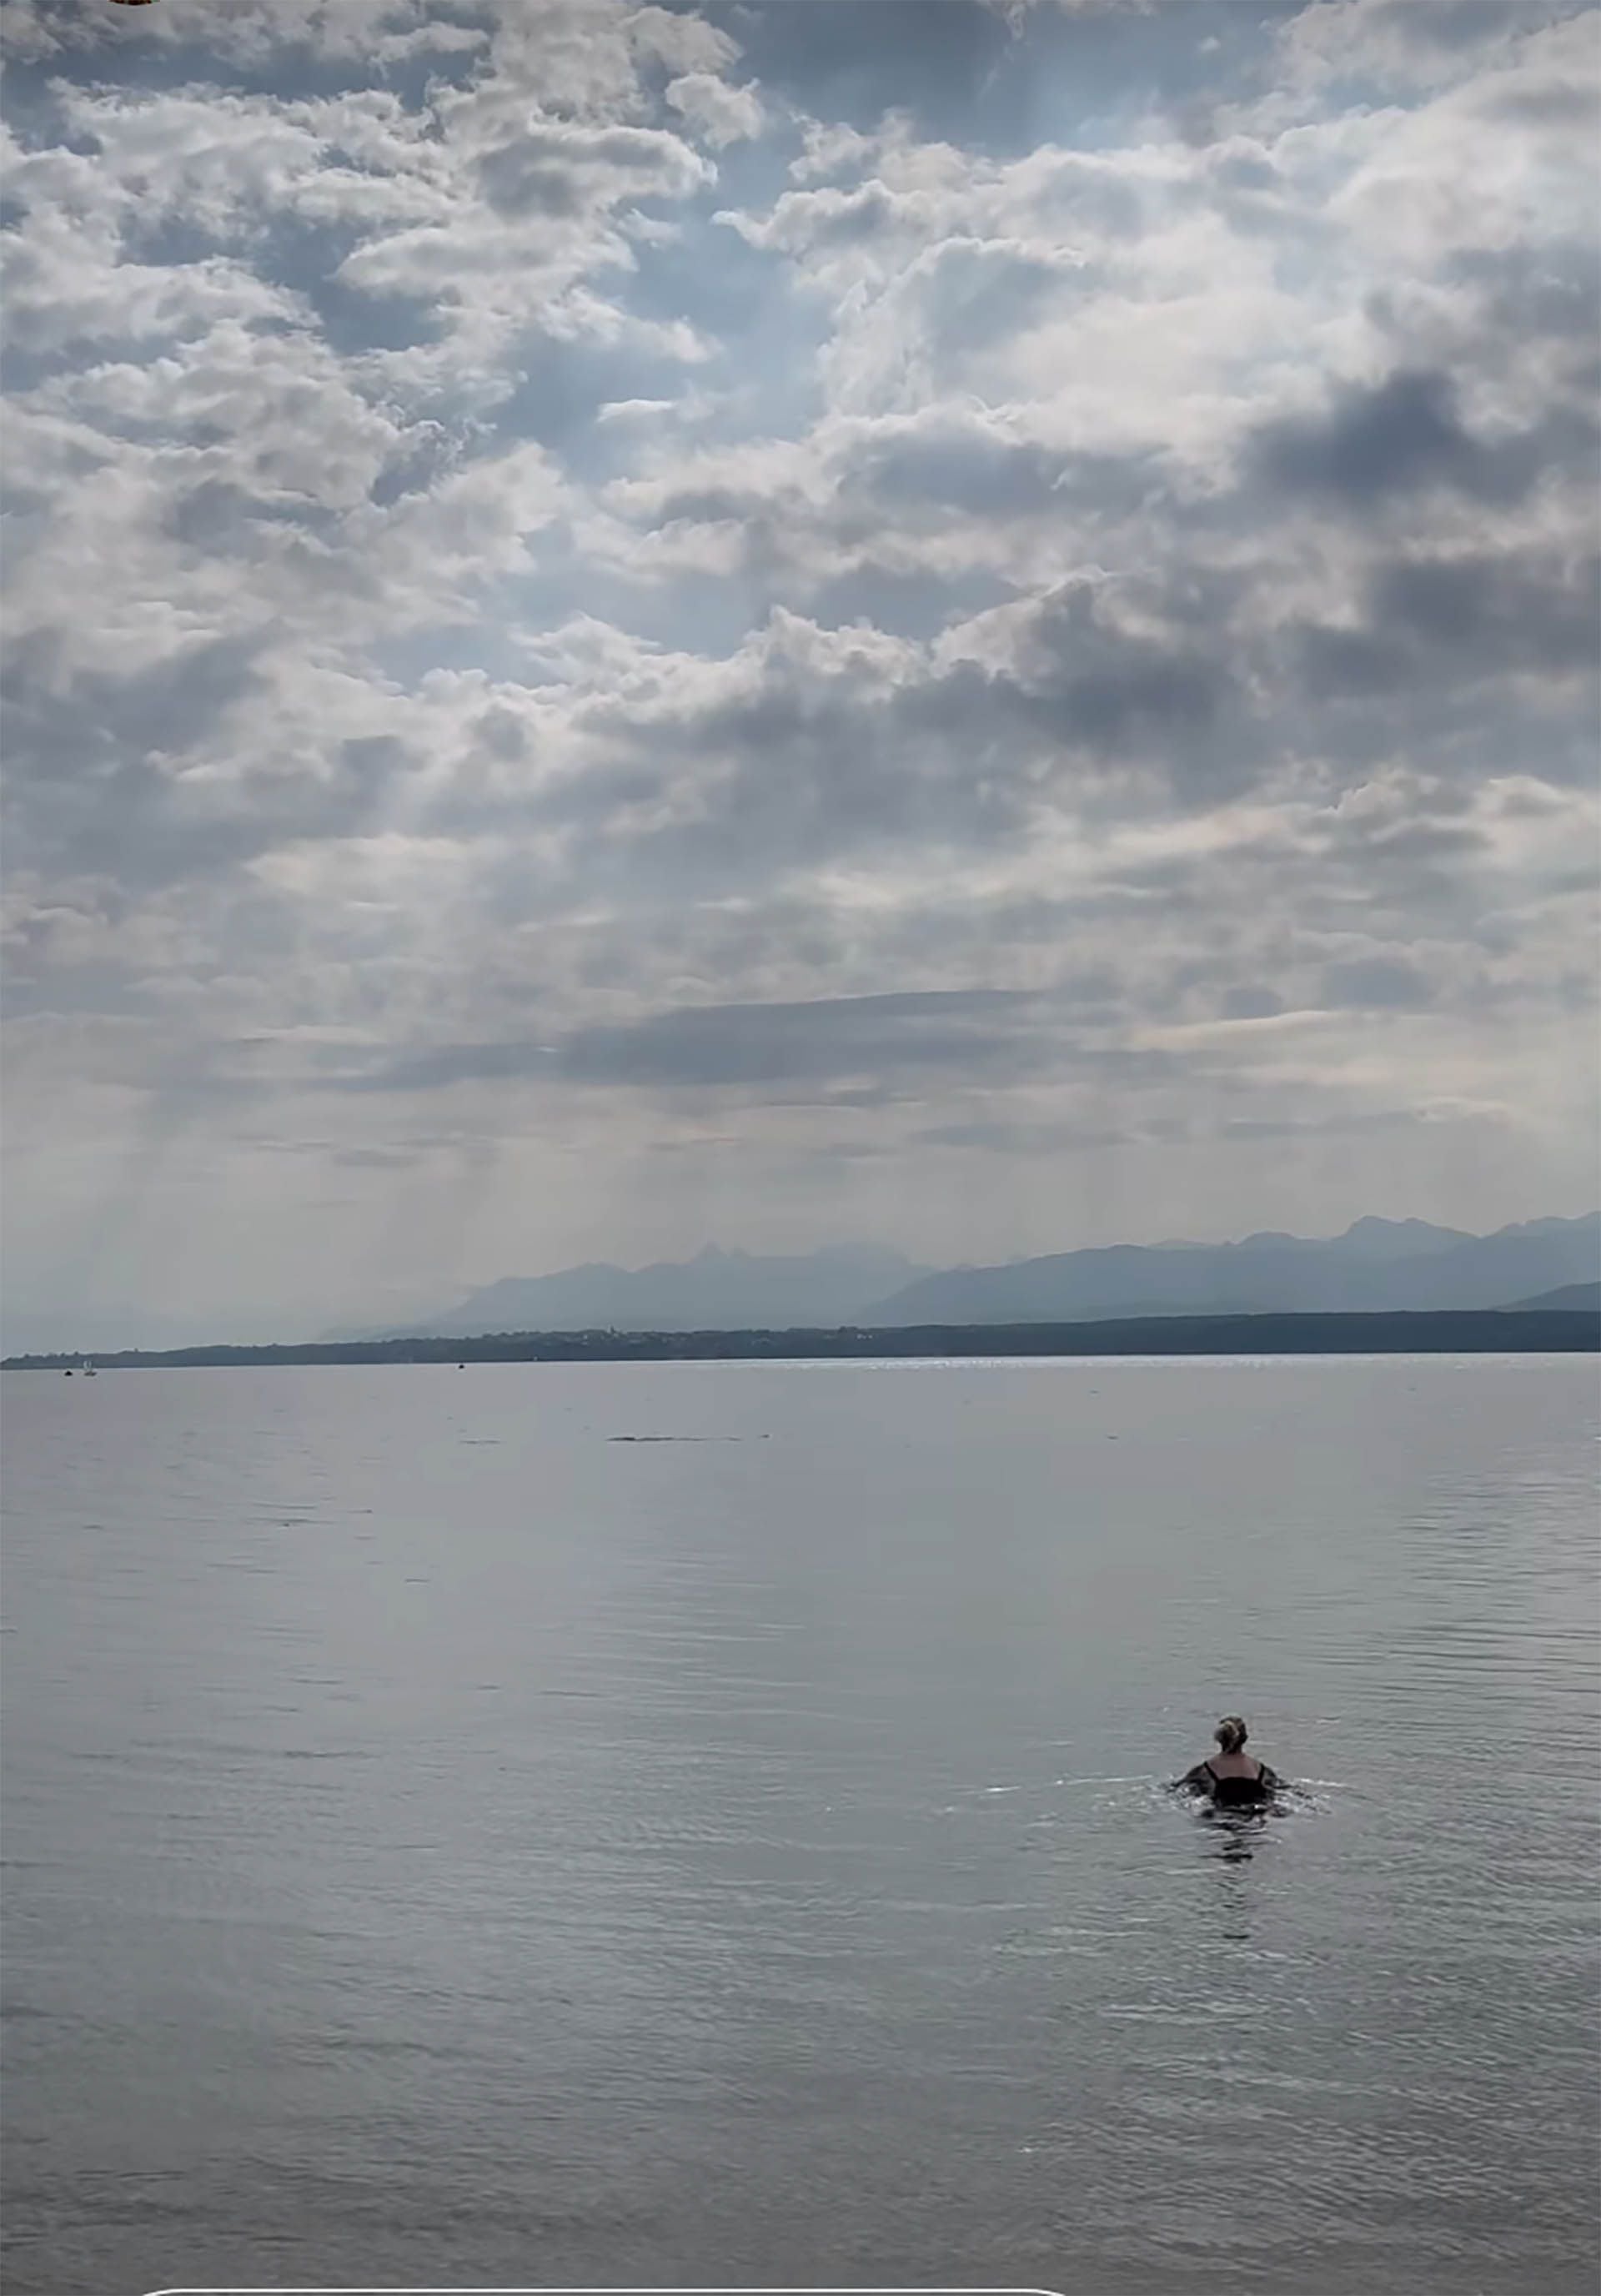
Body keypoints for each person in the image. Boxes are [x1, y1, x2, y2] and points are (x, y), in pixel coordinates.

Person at [1177, 1716, 1282, 1806]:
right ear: (1245, 1738)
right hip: (1257, 1816)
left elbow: (1177, 1789)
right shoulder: (1261, 1770)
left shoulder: (1203, 1771)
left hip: (1220, 1818)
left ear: (1219, 1738)